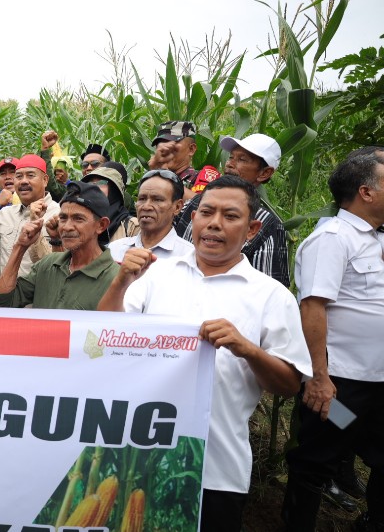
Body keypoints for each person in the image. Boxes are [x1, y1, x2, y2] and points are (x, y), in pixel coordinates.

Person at [98, 175, 311, 531]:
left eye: (230, 216)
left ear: (252, 229)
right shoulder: (155, 275)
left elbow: (289, 385)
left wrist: (247, 349)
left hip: (216, 470)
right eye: (207, 212)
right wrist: (121, 281)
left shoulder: (272, 296)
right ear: (193, 218)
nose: (214, 223)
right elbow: (104, 337)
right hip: (136, 457)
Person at [282, 147, 384, 532]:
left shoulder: (376, 239)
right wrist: (319, 378)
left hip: (378, 384)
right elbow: (312, 307)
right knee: (319, 456)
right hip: (340, 386)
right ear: (366, 192)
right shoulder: (333, 239)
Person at [175, 133, 290, 287]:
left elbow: (269, 289)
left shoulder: (268, 225)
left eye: (242, 159)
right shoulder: (195, 203)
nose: (229, 164)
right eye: (231, 157)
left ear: (264, 173)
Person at [0, 181, 119, 309]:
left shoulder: (116, 279)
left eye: (78, 218)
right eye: (63, 218)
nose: (67, 227)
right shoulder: (48, 265)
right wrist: (20, 246)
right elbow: (4, 304)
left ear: (101, 225)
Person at [0, 154, 60, 276]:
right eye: (18, 176)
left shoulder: (59, 214)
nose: (23, 181)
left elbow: (60, 265)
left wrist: (35, 223)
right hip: (5, 287)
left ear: (45, 180)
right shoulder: (5, 213)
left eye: (30, 175)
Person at [108, 169, 192, 262]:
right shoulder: (114, 250)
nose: (146, 206)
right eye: (142, 199)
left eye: (157, 200)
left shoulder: (190, 256)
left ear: (177, 207)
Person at [80, 166, 139, 244]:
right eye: (89, 184)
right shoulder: (78, 221)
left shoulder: (132, 226)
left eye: (101, 183)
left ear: (114, 190)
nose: (94, 187)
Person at [148, 120, 199, 200]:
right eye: (160, 143)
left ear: (191, 149)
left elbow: (202, 204)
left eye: (171, 142)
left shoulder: (200, 178)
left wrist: (165, 177)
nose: (164, 148)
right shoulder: (151, 178)